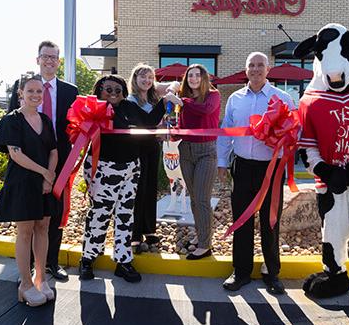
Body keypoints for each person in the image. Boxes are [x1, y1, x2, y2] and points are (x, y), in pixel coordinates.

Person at [79, 75, 181, 282]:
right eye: (108, 89)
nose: (113, 93)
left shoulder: (128, 106)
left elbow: (149, 122)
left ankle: (123, 260)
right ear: (99, 90)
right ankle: (88, 258)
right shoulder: (94, 107)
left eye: (118, 89)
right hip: (104, 169)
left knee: (126, 215)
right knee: (100, 213)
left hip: (130, 168)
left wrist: (164, 102)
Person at [217, 52, 295, 294]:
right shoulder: (235, 99)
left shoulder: (282, 98)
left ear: (268, 69)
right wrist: (221, 162)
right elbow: (227, 131)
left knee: (270, 221)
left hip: (270, 169)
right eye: (251, 65)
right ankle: (241, 272)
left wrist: (283, 141)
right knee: (241, 220)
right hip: (241, 167)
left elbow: (294, 132)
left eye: (260, 65)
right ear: (246, 69)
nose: (256, 69)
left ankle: (272, 273)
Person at [8, 41, 78, 281]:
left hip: (59, 158)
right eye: (45, 56)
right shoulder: (25, 87)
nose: (49, 60)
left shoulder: (71, 91)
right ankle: (26, 269)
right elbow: (12, 122)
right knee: (29, 213)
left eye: (54, 57)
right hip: (28, 160)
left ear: (59, 61)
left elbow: (76, 125)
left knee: (54, 212)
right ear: (37, 59)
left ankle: (51, 263)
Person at [0, 73, 58, 307]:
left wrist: (49, 179)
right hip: (22, 182)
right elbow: (16, 154)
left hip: (44, 183)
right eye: (30, 90)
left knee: (43, 227)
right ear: (20, 93)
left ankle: (40, 278)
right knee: (25, 231)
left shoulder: (45, 119)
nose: (35, 95)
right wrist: (44, 173)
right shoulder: (11, 121)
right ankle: (25, 284)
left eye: (39, 91)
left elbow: (53, 151)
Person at [126, 63, 180, 253]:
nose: (147, 80)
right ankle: (134, 234)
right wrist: (164, 101)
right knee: (138, 190)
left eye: (150, 77)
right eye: (143, 77)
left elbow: (176, 84)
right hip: (135, 149)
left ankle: (149, 230)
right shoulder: (130, 100)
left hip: (152, 147)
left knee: (151, 188)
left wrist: (171, 91)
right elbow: (148, 122)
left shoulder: (151, 98)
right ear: (135, 79)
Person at [177, 64, 220, 260]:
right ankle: (201, 236)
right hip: (185, 150)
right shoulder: (184, 101)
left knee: (202, 199)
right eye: (190, 76)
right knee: (194, 198)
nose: (193, 78)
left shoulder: (213, 95)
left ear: (204, 78)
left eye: (197, 75)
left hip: (206, 152)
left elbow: (205, 111)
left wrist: (182, 101)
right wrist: (172, 131)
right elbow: (182, 125)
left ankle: (205, 244)